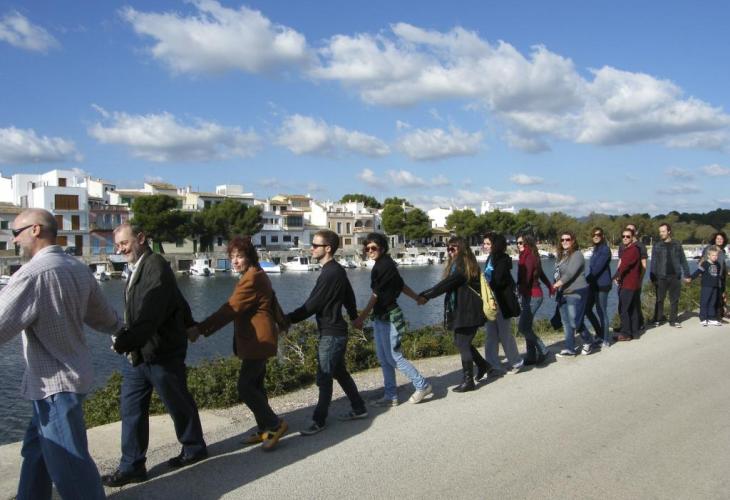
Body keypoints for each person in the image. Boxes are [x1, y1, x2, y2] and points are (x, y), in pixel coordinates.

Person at [0, 209, 122, 500]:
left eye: (16, 233)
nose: (14, 240)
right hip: (72, 378)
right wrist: (124, 329)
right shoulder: (77, 267)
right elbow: (105, 317)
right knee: (37, 452)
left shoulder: (31, 275)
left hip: (53, 387)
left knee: (71, 467)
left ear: (35, 230)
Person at [103, 223, 207, 487]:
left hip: (161, 352)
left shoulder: (156, 267)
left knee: (177, 402)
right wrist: (189, 323)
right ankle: (132, 466)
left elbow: (150, 315)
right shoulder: (139, 266)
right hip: (139, 354)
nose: (120, 249)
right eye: (117, 245)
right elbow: (178, 299)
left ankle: (194, 447)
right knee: (131, 409)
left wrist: (124, 342)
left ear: (141, 238)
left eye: (124, 243)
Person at [187, 236, 288, 450]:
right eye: (232, 256)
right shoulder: (256, 274)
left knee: (245, 387)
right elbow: (272, 301)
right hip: (259, 339)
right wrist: (283, 323)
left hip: (258, 340)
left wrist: (200, 329)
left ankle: (274, 424)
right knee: (256, 385)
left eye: (239, 256)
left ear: (249, 257)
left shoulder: (252, 279)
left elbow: (229, 310)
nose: (235, 261)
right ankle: (264, 429)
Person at [287, 230, 367, 435]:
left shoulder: (330, 273)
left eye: (315, 245)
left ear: (328, 248)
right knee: (339, 372)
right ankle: (359, 408)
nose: (311, 248)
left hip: (331, 334)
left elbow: (312, 305)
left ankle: (319, 420)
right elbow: (349, 295)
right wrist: (353, 316)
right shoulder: (336, 270)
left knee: (324, 377)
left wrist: (286, 320)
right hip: (336, 331)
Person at [352, 232, 432, 406]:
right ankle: (390, 396)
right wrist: (417, 298)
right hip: (380, 316)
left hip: (390, 317)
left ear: (382, 248)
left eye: (373, 248)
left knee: (394, 357)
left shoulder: (384, 266)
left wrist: (361, 318)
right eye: (367, 248)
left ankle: (422, 385)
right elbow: (400, 285)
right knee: (384, 358)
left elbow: (375, 295)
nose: (370, 251)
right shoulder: (384, 264)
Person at [419, 237, 490, 392]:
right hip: (464, 310)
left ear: (462, 248)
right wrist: (426, 294)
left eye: (453, 248)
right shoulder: (459, 264)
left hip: (469, 310)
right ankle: (483, 365)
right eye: (448, 248)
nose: (450, 251)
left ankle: (469, 381)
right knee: (461, 342)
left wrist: (426, 295)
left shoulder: (463, 265)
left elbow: (447, 284)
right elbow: (449, 284)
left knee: (463, 343)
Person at [480, 233, 523, 373]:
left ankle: (516, 362)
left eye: (488, 243)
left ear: (495, 245)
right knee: (491, 334)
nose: (485, 246)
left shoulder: (503, 259)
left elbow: (498, 280)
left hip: (502, 301)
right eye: (484, 243)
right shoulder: (490, 258)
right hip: (490, 301)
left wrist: (485, 284)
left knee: (505, 334)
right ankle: (492, 365)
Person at [553, 231, 595, 356]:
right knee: (566, 323)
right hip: (563, 292)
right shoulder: (561, 256)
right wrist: (555, 287)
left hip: (576, 292)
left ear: (573, 241)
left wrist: (556, 284)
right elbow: (558, 274)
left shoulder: (577, 255)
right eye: (562, 240)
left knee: (575, 321)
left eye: (568, 239)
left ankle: (589, 340)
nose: (565, 242)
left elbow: (570, 274)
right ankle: (569, 348)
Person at [516, 234, 553, 365]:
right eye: (517, 243)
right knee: (527, 326)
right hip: (529, 295)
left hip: (532, 296)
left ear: (527, 243)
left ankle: (543, 350)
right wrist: (549, 286)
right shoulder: (528, 256)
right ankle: (531, 355)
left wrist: (518, 292)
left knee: (523, 327)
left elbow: (526, 277)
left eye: (521, 243)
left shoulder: (529, 257)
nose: (519, 245)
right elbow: (541, 273)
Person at [649, 223, 691, 328]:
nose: (661, 233)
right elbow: (654, 261)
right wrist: (652, 276)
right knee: (660, 299)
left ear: (669, 231)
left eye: (663, 231)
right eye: (660, 231)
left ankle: (673, 320)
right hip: (661, 276)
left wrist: (687, 274)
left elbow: (683, 260)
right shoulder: (657, 245)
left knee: (674, 299)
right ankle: (658, 319)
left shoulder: (677, 244)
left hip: (675, 276)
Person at [615, 223, 648, 333]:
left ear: (634, 233)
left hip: (633, 281)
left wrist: (640, 280)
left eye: (630, 233)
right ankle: (626, 327)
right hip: (623, 280)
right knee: (624, 305)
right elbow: (621, 261)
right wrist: (617, 275)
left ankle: (636, 326)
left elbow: (644, 265)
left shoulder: (639, 247)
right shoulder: (622, 246)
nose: (626, 237)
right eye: (624, 235)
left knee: (634, 305)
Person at [584, 227, 613, 348]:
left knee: (601, 311)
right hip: (593, 284)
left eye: (598, 234)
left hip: (602, 285)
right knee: (587, 309)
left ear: (602, 236)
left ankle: (605, 340)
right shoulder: (596, 249)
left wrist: (584, 281)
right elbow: (592, 269)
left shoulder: (605, 249)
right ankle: (600, 333)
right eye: (593, 235)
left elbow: (597, 269)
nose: (595, 236)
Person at [613, 228, 642, 341]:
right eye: (623, 236)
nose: (625, 238)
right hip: (633, 284)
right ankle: (635, 332)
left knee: (623, 309)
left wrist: (615, 277)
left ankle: (626, 333)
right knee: (632, 309)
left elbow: (624, 266)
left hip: (628, 284)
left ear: (632, 237)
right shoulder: (630, 249)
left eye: (628, 236)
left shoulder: (632, 250)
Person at [691, 246, 723, 326]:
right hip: (706, 286)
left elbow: (718, 275)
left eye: (716, 255)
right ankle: (703, 318)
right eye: (713, 255)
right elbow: (698, 272)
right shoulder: (705, 264)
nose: (715, 257)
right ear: (708, 256)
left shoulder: (718, 264)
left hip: (715, 286)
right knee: (704, 302)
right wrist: (690, 278)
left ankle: (711, 318)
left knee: (712, 302)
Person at [703, 232, 728, 321]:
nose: (720, 240)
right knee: (713, 297)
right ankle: (714, 317)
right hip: (712, 277)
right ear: (714, 239)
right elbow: (704, 262)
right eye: (718, 239)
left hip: (721, 277)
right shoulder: (709, 249)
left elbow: (722, 264)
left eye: (721, 239)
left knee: (720, 296)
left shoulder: (722, 251)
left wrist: (727, 271)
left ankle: (719, 315)